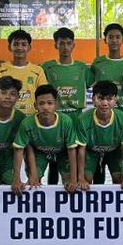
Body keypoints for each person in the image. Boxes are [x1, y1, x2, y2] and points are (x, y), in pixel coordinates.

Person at [41, 27, 89, 185]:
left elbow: (96, 81)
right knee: (53, 158)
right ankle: (52, 193)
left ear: (73, 45)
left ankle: (75, 184)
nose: (65, 47)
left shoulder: (82, 67)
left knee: (73, 154)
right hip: (55, 117)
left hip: (75, 116)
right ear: (55, 45)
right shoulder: (47, 67)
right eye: (61, 43)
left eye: (68, 43)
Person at [88, 23, 123, 183]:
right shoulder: (97, 63)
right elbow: (91, 86)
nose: (114, 40)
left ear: (122, 40)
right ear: (105, 40)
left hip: (121, 114)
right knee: (97, 159)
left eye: (117, 37)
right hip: (101, 115)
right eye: (111, 37)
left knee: (120, 164)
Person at [11, 85, 78, 194]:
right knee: (33, 182)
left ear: (56, 104)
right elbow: (20, 150)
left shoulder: (66, 121)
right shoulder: (27, 123)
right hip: (39, 153)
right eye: (41, 103)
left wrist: (74, 180)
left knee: (70, 182)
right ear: (35, 105)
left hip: (62, 153)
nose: (45, 107)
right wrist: (17, 179)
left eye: (49, 103)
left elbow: (71, 150)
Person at [76, 80, 123, 189]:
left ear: (115, 100)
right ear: (93, 99)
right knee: (86, 180)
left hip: (114, 152)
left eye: (109, 99)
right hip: (91, 152)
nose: (104, 103)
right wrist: (81, 178)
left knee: (119, 180)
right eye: (100, 98)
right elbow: (81, 150)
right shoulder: (83, 119)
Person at [0, 29, 48, 115]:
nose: (19, 48)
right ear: (9, 47)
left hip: (30, 118)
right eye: (16, 44)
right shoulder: (0, 69)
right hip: (6, 118)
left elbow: (44, 95)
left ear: (29, 48)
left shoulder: (38, 70)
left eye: (23, 44)